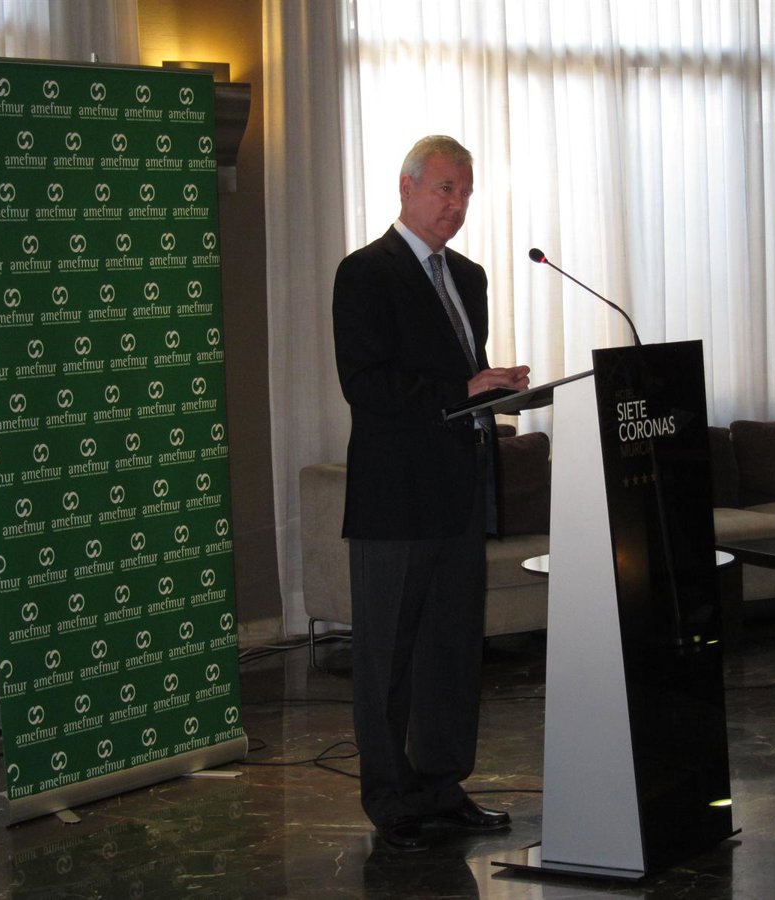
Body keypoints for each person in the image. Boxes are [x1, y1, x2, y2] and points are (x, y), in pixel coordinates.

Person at [332, 135, 530, 851]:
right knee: (388, 657)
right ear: (407, 186)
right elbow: (365, 384)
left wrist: (498, 391)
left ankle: (442, 786)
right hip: (394, 497)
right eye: (446, 188)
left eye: (466, 192)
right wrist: (461, 390)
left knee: (451, 651)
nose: (457, 204)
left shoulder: (469, 277)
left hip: (459, 490)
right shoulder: (365, 273)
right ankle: (392, 800)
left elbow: (463, 380)